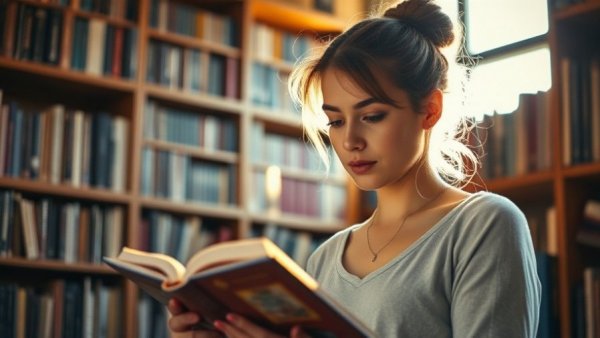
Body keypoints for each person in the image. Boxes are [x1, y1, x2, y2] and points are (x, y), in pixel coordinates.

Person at [168, 0, 542, 336]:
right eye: (336, 121)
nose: (350, 142)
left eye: (372, 116)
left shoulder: (484, 225)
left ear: (430, 109)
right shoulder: (325, 259)